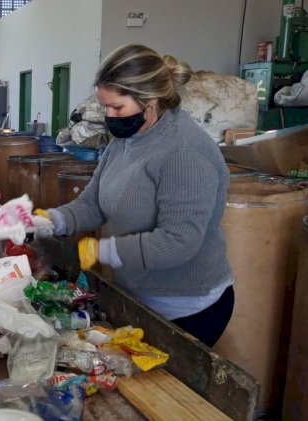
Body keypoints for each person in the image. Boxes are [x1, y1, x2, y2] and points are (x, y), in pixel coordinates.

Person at [47, 44, 234, 347]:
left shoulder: (185, 152)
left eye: (117, 108)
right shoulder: (127, 139)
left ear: (150, 100)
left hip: (185, 307)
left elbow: (178, 242)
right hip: (136, 294)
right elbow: (93, 203)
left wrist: (105, 251)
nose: (109, 116)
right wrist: (51, 220)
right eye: (104, 106)